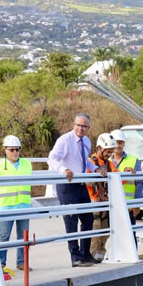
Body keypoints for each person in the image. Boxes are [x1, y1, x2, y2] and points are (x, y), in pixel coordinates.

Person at [47, 113, 104, 267]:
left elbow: (84, 161)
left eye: (84, 126)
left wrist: (96, 168)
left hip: (81, 184)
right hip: (67, 185)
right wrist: (64, 169)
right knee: (71, 220)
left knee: (88, 219)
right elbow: (52, 158)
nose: (80, 128)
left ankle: (86, 254)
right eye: (78, 125)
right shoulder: (65, 140)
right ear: (74, 125)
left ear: (88, 128)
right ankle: (75, 256)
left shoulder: (86, 141)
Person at [0, 135, 32, 271]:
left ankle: (22, 263)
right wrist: (0, 197)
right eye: (12, 150)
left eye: (17, 149)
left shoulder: (27, 164)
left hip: (24, 205)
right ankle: (0, 263)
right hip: (7, 206)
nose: (15, 152)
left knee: (23, 236)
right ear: (5, 150)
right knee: (4, 236)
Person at [88, 133, 116, 261]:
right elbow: (87, 182)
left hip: (105, 202)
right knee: (95, 231)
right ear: (100, 148)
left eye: (110, 152)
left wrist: (126, 173)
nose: (109, 154)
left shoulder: (109, 164)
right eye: (107, 151)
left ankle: (99, 257)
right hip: (94, 202)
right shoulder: (91, 163)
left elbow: (118, 177)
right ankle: (91, 257)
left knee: (105, 231)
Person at [110, 128, 143, 226]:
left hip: (128, 207)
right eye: (116, 142)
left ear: (124, 144)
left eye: (121, 142)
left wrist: (137, 205)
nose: (118, 145)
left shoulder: (133, 161)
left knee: (130, 237)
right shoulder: (106, 161)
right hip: (110, 206)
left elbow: (139, 184)